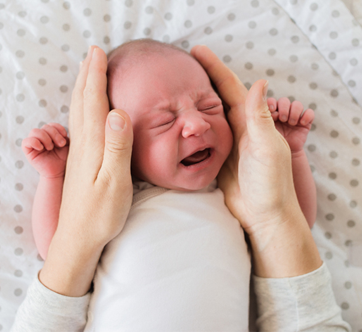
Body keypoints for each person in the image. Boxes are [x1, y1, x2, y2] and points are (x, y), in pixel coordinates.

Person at [12, 44, 351, 331]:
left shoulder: (232, 197)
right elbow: (55, 246)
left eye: (209, 106)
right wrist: (55, 177)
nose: (197, 123)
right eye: (164, 121)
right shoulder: (121, 201)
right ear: (120, 144)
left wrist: (289, 153)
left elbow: (297, 224)